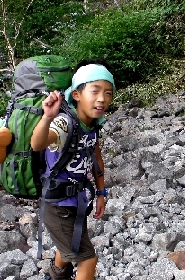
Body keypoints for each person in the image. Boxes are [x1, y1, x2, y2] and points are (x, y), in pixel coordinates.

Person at [30, 60, 115, 280]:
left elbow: (96, 158)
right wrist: (48, 117)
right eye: (95, 91)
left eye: (108, 93)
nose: (102, 99)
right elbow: (38, 144)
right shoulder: (64, 123)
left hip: (76, 202)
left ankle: (55, 276)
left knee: (69, 247)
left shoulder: (93, 124)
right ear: (76, 95)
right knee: (88, 258)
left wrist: (101, 192)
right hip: (58, 205)